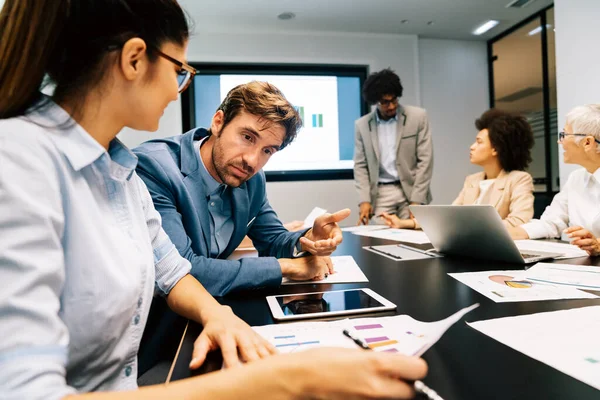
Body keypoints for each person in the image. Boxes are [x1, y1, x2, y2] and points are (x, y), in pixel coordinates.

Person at [0, 1, 427, 398]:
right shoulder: (19, 161)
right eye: (178, 70)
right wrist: (285, 378)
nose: (178, 89)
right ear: (133, 59)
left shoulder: (118, 168)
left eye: (267, 151)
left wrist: (219, 313)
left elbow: (172, 268)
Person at [133, 81, 350, 371]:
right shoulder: (157, 169)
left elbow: (273, 238)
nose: (252, 160)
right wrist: (287, 267)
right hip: (158, 332)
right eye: (247, 137)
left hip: (217, 318)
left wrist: (307, 239)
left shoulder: (251, 179)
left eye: (267, 151)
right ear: (218, 121)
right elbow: (185, 269)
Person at [380, 109, 535, 230]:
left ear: (496, 149)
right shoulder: (472, 180)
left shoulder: (519, 179)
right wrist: (404, 223)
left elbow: (519, 221)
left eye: (479, 142)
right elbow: (448, 217)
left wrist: (472, 231)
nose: (472, 147)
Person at [510, 104, 600, 256]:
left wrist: (598, 244)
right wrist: (505, 235)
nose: (560, 141)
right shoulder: (575, 179)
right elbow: (551, 222)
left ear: (587, 142)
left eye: (564, 135)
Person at [354, 68, 433, 225]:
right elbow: (361, 166)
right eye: (385, 102)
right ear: (375, 102)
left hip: (412, 190)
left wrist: (417, 201)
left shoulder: (418, 117)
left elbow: (425, 160)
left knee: (414, 238)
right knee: (380, 241)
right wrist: (364, 200)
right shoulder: (362, 125)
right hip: (381, 192)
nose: (391, 106)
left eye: (394, 100)